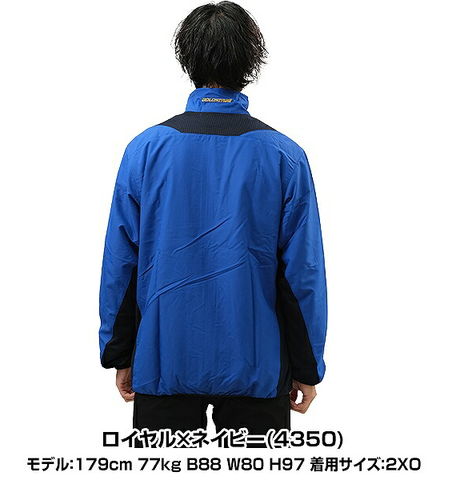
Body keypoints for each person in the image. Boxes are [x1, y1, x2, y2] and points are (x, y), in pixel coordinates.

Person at [98, 1, 328, 439]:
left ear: (188, 59)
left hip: (163, 359)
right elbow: (303, 273)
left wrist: (120, 353)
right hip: (258, 366)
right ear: (250, 62)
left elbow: (121, 264)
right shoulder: (284, 156)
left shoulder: (145, 150)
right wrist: (307, 365)